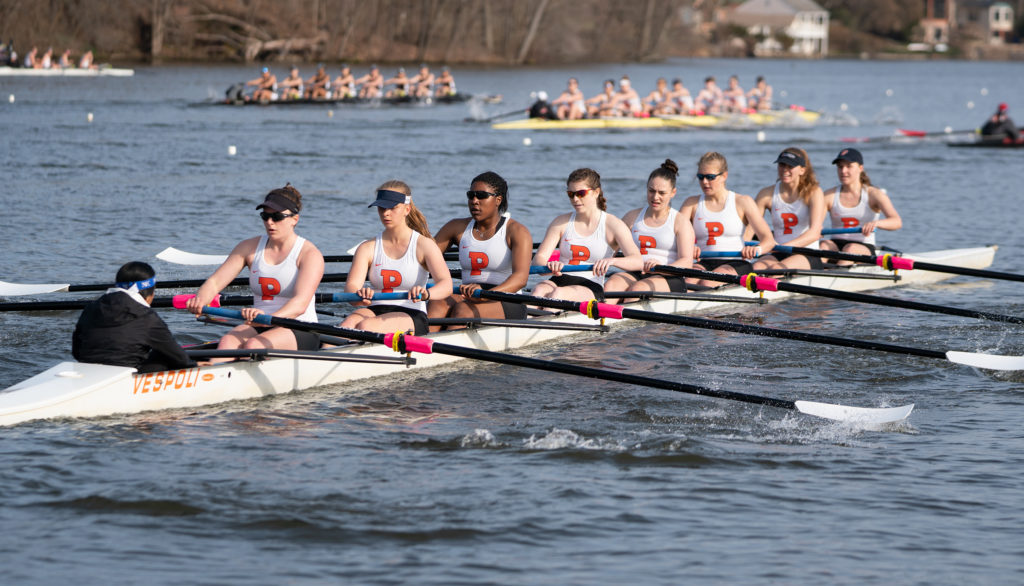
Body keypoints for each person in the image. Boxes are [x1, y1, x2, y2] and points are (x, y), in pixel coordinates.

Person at [186, 185, 325, 359]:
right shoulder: (248, 247)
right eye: (265, 216)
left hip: (299, 326)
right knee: (227, 343)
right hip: (259, 322)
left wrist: (268, 317)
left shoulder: (309, 254)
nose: (270, 222)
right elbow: (215, 282)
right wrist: (201, 300)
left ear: (294, 219)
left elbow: (299, 304)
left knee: (253, 346)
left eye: (277, 217)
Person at [342, 181, 452, 335]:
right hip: (375, 309)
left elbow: (446, 284)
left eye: (392, 208)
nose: (386, 213)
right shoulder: (367, 247)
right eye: (381, 208)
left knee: (365, 327)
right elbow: (351, 286)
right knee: (345, 327)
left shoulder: (424, 245)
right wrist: (359, 296)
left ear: (407, 209)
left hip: (412, 313)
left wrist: (427, 294)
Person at [428, 171, 533, 330]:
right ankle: (422, 348)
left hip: (506, 300)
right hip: (469, 295)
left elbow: (520, 279)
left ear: (498, 199)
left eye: (482, 195)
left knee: (462, 310)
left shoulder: (517, 232)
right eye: (471, 195)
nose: (474, 201)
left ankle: (447, 350)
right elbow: (424, 258)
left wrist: (484, 296)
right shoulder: (456, 227)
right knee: (437, 303)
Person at [531, 168, 643, 302]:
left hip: (590, 285)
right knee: (538, 290)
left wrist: (612, 261)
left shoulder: (614, 225)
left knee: (558, 294)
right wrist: (549, 267)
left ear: (596, 192)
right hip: (558, 279)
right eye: (571, 194)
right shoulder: (560, 222)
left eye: (581, 193)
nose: (575, 199)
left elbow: (638, 261)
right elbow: (538, 259)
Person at [73, 262, 195, 373]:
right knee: (163, 355)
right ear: (150, 293)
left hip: (88, 373)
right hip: (125, 379)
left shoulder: (90, 308)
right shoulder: (147, 317)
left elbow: (76, 352)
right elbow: (181, 360)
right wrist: (198, 367)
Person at [680, 152, 776, 288]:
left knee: (706, 282)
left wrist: (756, 250)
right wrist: (688, 246)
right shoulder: (691, 203)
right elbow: (675, 236)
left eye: (710, 177)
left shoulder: (743, 202)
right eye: (700, 177)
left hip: (736, 262)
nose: (705, 182)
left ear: (724, 175)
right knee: (687, 282)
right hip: (704, 262)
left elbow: (769, 241)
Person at [603, 159, 694, 301]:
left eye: (662, 193)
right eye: (651, 191)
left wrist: (661, 267)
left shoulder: (680, 222)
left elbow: (687, 262)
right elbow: (609, 251)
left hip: (669, 276)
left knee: (637, 290)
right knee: (610, 286)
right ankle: (600, 319)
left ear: (673, 193)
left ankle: (624, 321)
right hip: (636, 272)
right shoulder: (631, 217)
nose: (655, 197)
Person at [746, 148, 825, 271]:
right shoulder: (766, 194)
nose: (785, 170)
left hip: (807, 253)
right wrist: (740, 255)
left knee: (777, 269)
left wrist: (781, 247)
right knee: (756, 267)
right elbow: (750, 230)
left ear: (802, 170)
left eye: (791, 166)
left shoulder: (814, 193)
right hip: (779, 252)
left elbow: (814, 233)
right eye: (782, 165)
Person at [820, 148, 902, 264]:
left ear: (860, 168)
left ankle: (838, 275)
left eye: (849, 166)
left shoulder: (874, 194)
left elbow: (896, 221)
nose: (843, 171)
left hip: (862, 247)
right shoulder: (829, 195)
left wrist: (876, 223)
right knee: (823, 245)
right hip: (835, 245)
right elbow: (816, 224)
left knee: (850, 249)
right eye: (840, 167)